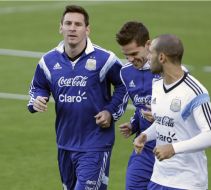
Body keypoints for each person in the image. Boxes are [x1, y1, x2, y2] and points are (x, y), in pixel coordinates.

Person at [27, 5, 128, 190]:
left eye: (78, 24)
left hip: (95, 143)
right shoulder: (48, 61)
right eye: (68, 23)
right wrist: (37, 99)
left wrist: (110, 111)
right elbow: (38, 86)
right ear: (61, 27)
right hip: (65, 143)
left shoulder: (105, 59)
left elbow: (124, 85)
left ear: (87, 29)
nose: (72, 28)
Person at [134, 34, 211, 190]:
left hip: (187, 182)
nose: (147, 57)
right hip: (159, 178)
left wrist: (174, 148)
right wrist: (146, 135)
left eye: (151, 53)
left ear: (161, 57)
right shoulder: (158, 86)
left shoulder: (194, 91)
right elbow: (165, 122)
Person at [116, 21, 161, 190]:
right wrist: (134, 124)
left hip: (170, 149)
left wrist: (160, 116)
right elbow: (139, 105)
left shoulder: (169, 70)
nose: (130, 59)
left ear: (148, 45)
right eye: (126, 54)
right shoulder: (125, 72)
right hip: (143, 148)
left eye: (134, 53)